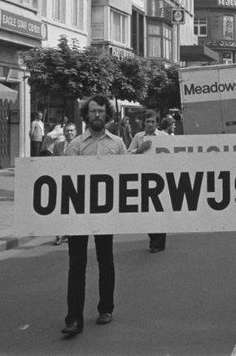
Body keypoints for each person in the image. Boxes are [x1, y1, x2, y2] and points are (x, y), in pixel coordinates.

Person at [61, 96, 132, 337]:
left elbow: (128, 176)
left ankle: (106, 308)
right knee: (76, 265)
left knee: (105, 260)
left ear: (107, 114)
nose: (97, 115)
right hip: (79, 213)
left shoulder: (118, 144)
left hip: (105, 213)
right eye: (93, 111)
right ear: (86, 115)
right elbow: (66, 178)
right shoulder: (75, 145)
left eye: (101, 111)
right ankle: (73, 318)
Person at [127, 112, 163, 252]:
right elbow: (127, 154)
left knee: (159, 210)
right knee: (148, 210)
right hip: (143, 176)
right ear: (144, 123)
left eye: (152, 121)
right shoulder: (138, 137)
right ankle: (155, 239)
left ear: (157, 123)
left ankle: (157, 243)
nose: (150, 124)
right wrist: (139, 150)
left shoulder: (164, 137)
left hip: (161, 176)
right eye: (147, 121)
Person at [52, 122, 78, 245]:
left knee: (71, 209)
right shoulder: (58, 146)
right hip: (60, 180)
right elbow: (53, 163)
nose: (69, 133)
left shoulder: (80, 146)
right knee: (59, 208)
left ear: (76, 132)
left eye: (72, 130)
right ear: (64, 133)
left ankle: (69, 232)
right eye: (67, 131)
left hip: (75, 181)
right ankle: (58, 235)